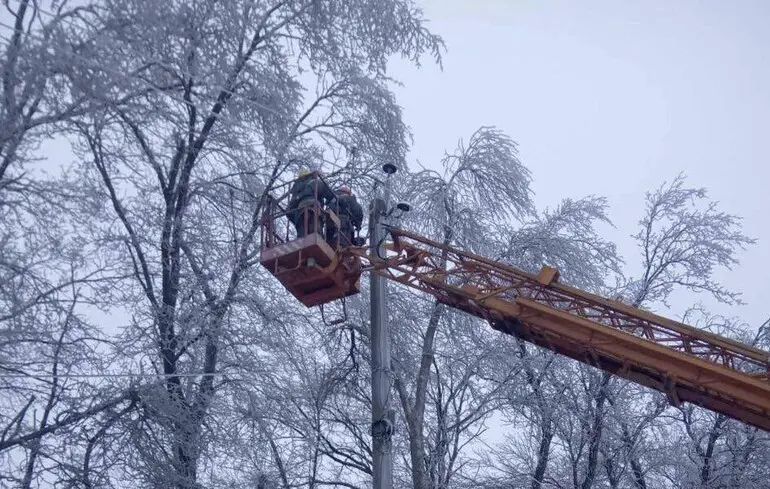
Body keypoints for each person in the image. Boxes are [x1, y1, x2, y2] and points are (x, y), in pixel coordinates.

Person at [287, 169, 334, 237]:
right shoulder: (315, 182)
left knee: (302, 235)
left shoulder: (296, 191)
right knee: (316, 232)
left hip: (299, 212)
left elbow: (289, 210)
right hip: (313, 208)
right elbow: (329, 194)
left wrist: (295, 220)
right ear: (309, 176)